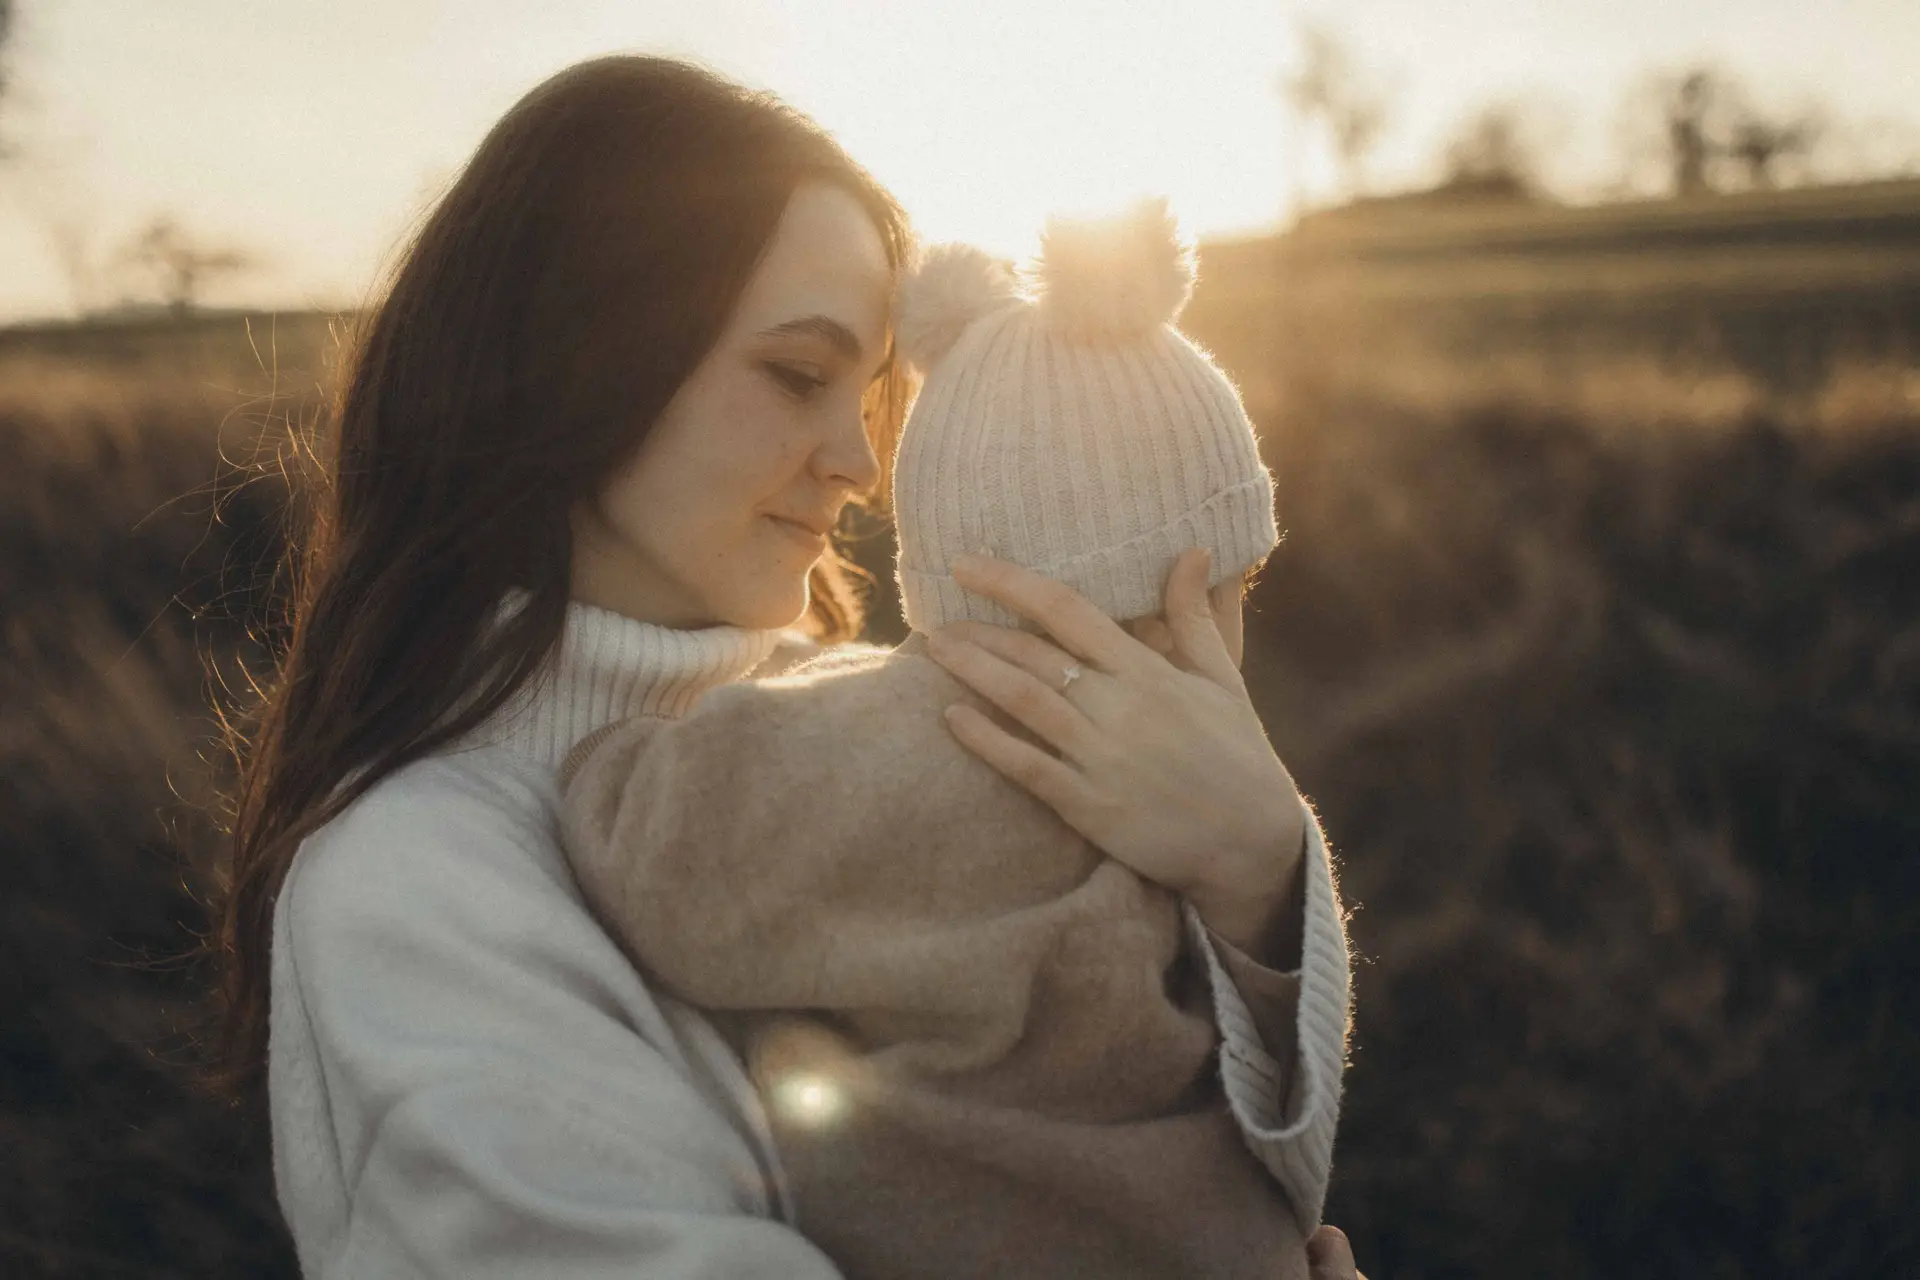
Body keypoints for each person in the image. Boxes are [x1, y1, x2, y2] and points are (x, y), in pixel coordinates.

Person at [207, 54, 1366, 1278]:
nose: (858, 463)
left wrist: (1257, 872)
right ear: (574, 355)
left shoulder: (865, 715)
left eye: (868, 393)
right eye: (798, 375)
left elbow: (1194, 1158)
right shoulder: (411, 877)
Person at [556, 201, 1346, 1280]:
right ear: (1166, 610)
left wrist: (613, 762)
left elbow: (649, 851)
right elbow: (1278, 1095)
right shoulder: (1178, 795)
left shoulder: (845, 746)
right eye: (1235, 584)